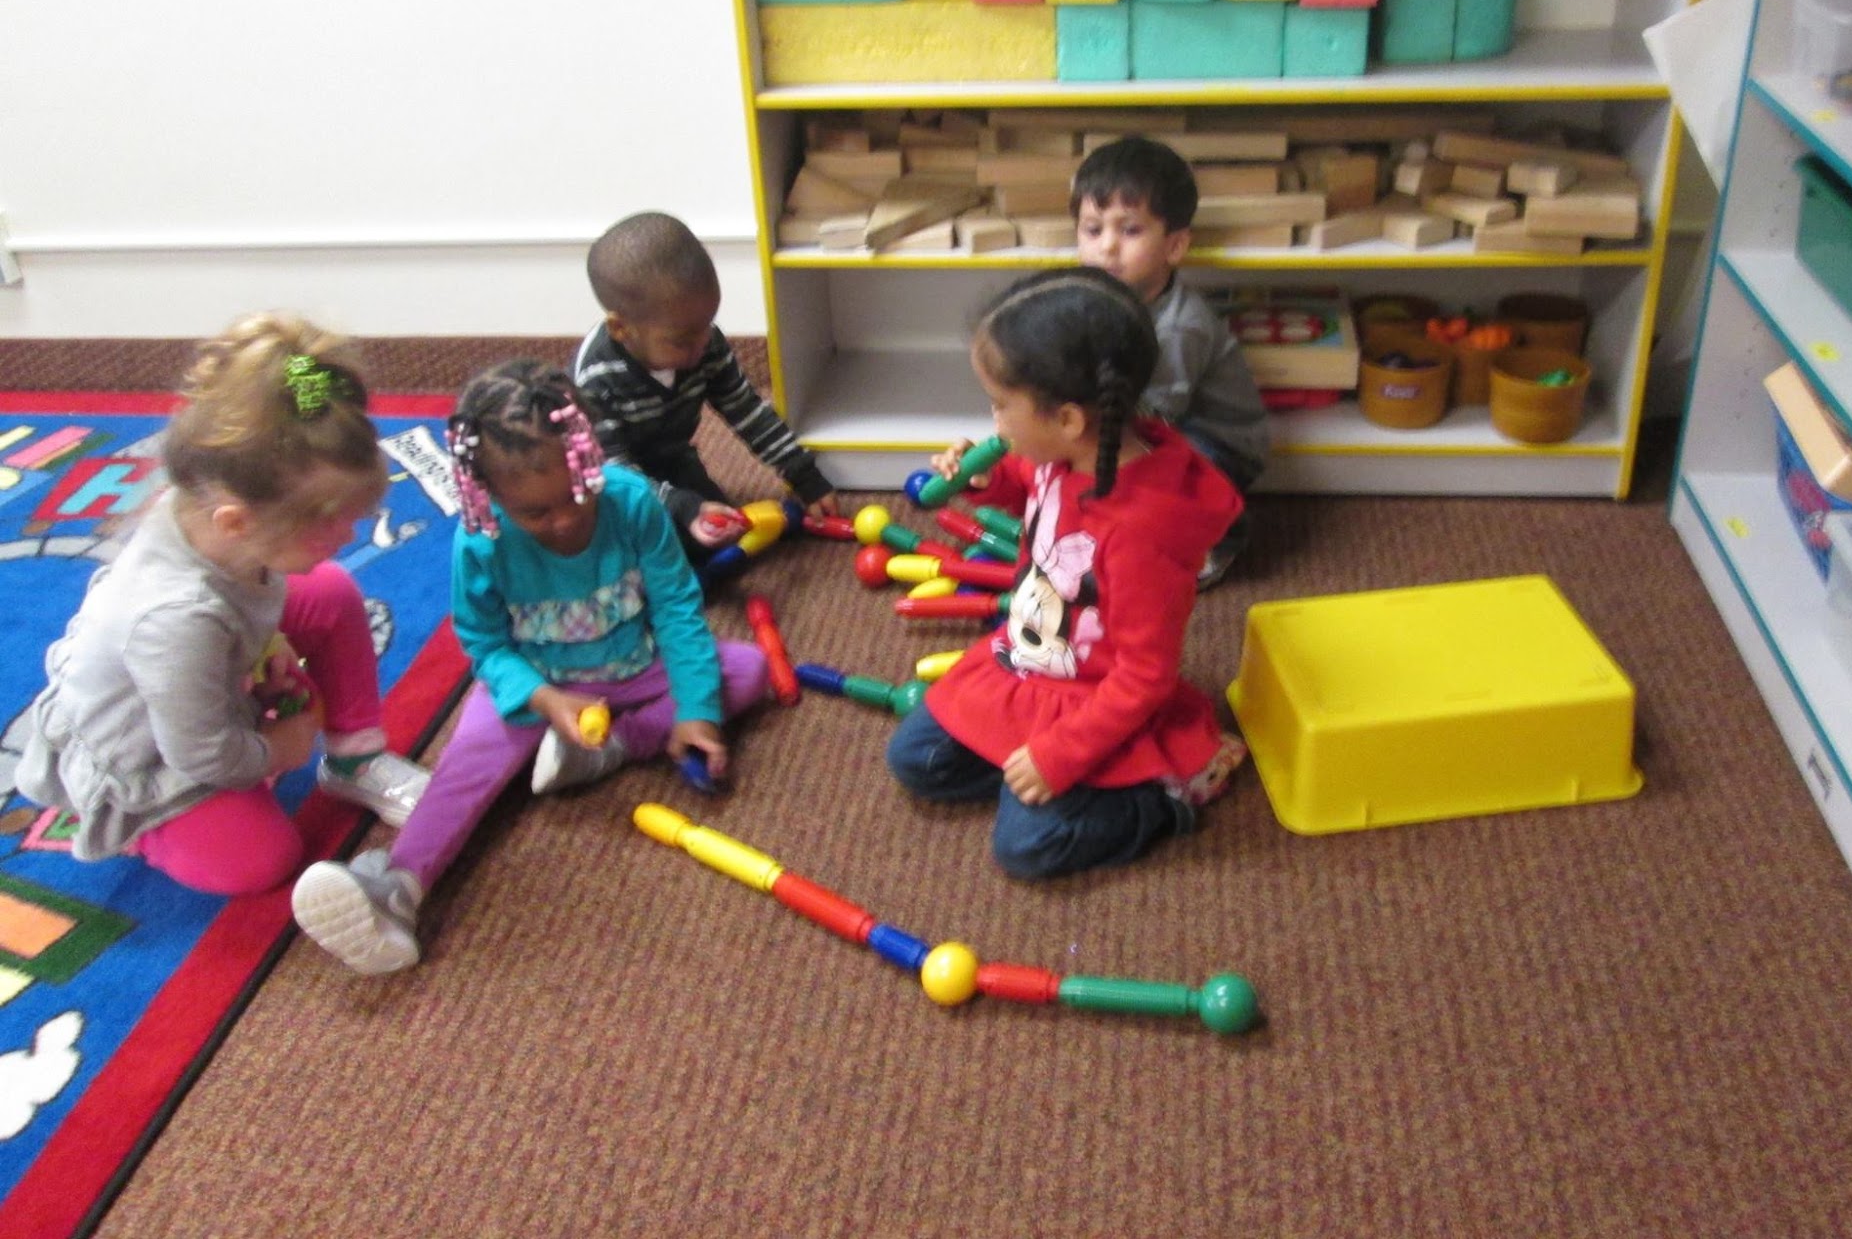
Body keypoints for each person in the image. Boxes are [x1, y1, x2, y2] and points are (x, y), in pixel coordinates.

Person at [291, 359, 768, 974]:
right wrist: (544, 699)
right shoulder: (480, 541)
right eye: (536, 512)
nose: (564, 519)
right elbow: (485, 644)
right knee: (463, 770)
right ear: (489, 497)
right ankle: (398, 889)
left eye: (576, 495)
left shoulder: (630, 501)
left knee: (747, 670)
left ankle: (614, 746)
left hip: (636, 667)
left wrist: (697, 710)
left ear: (589, 461)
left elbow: (677, 607)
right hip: (536, 684)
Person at [14, 315, 428, 897]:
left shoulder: (216, 517)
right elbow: (203, 756)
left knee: (328, 589)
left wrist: (268, 641)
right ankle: (137, 829)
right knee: (261, 861)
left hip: (197, 674)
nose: (350, 535)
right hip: (149, 756)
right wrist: (278, 749)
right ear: (236, 523)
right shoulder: (174, 619)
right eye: (330, 525)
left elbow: (251, 588)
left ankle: (353, 761)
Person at [885, 267, 1248, 881]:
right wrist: (988, 480)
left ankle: (1168, 796)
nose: (994, 423)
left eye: (1001, 405)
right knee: (915, 760)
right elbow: (1031, 489)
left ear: (1070, 420)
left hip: (1099, 700)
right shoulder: (1067, 453)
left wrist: (1058, 757)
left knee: (1028, 847)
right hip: (1031, 663)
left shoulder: (1139, 538)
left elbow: (1144, 679)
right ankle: (1035, 774)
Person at [573, 211, 838, 560]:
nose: (701, 346)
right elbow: (615, 470)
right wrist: (681, 506)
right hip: (608, 478)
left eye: (708, 325)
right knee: (651, 546)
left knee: (722, 532)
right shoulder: (596, 379)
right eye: (682, 341)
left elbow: (746, 410)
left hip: (672, 456)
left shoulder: (704, 341)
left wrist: (803, 474)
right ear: (621, 329)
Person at [1072, 136, 1269, 589]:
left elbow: (1156, 420)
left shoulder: (1180, 327)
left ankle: (1221, 534)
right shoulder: (1096, 295)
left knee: (1145, 473)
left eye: (1130, 231)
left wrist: (1085, 436)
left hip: (1217, 442)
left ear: (1175, 246)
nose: (1107, 247)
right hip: (1143, 417)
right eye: (1093, 229)